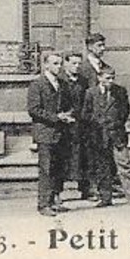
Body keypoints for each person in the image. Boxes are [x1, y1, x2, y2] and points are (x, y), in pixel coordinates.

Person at [82, 65, 130, 207]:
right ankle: (105, 197)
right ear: (99, 78)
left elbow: (125, 111)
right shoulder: (90, 93)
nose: (110, 81)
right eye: (107, 78)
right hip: (99, 135)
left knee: (125, 165)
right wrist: (98, 124)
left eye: (112, 78)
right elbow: (85, 115)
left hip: (117, 134)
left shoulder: (120, 91)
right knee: (102, 167)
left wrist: (115, 123)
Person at [26, 50, 74, 216]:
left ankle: (55, 200)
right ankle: (43, 204)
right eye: (55, 63)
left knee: (59, 168)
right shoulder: (37, 84)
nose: (59, 67)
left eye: (60, 63)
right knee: (46, 169)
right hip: (45, 133)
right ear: (45, 64)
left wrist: (68, 115)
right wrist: (56, 117)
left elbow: (68, 105)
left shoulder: (62, 84)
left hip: (61, 133)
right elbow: (33, 110)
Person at [76, 35, 110, 200]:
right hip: (87, 119)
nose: (102, 49)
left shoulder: (105, 67)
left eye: (103, 45)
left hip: (103, 120)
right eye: (99, 45)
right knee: (87, 154)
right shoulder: (82, 68)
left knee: (102, 154)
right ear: (90, 46)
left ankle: (103, 185)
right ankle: (87, 188)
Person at [60, 50, 89, 202]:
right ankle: (57, 193)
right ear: (66, 63)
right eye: (73, 63)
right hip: (63, 126)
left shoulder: (83, 81)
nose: (77, 66)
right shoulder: (59, 80)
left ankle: (85, 190)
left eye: (79, 64)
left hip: (81, 125)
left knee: (83, 157)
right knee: (62, 159)